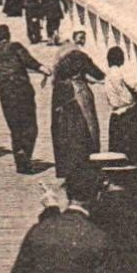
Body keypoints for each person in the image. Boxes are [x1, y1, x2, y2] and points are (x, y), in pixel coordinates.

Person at [0, 24, 47, 174]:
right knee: (29, 126)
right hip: (22, 91)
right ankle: (25, 155)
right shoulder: (15, 47)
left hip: (6, 94)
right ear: (8, 34)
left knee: (15, 127)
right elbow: (28, 60)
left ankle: (20, 157)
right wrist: (42, 68)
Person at [50, 31, 104, 178]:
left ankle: (65, 166)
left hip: (60, 93)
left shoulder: (61, 54)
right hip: (77, 91)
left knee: (63, 129)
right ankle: (89, 161)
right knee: (88, 125)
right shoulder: (79, 55)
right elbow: (98, 73)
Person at [104, 47, 137, 174]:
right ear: (121, 59)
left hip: (115, 117)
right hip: (130, 115)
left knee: (119, 151)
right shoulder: (121, 73)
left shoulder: (107, 76)